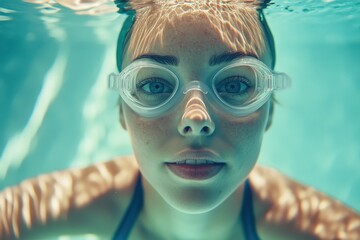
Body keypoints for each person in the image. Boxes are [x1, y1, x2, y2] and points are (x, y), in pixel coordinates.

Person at [1, 0, 359, 239]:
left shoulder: (314, 223)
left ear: (270, 109)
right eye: (155, 84)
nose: (196, 119)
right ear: (122, 111)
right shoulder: (79, 200)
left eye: (235, 83)